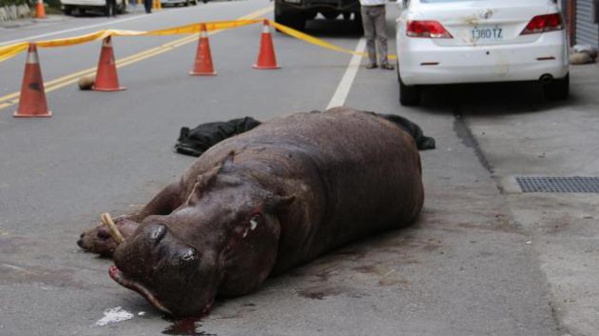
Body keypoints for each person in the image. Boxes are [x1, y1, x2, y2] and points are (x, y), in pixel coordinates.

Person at [359, 0, 394, 70]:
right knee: (369, 36)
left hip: (379, 7)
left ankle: (384, 62)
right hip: (366, 7)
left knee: (382, 36)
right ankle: (372, 61)